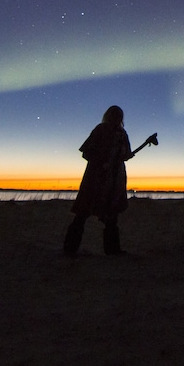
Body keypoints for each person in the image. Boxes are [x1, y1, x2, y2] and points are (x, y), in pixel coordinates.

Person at [64, 105, 134, 256]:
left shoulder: (122, 133)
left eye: (118, 115)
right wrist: (101, 163)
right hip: (95, 178)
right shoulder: (100, 130)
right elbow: (86, 152)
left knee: (112, 215)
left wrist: (124, 156)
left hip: (114, 179)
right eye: (114, 114)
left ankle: (112, 250)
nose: (116, 118)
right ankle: (70, 249)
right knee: (83, 212)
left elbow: (126, 154)